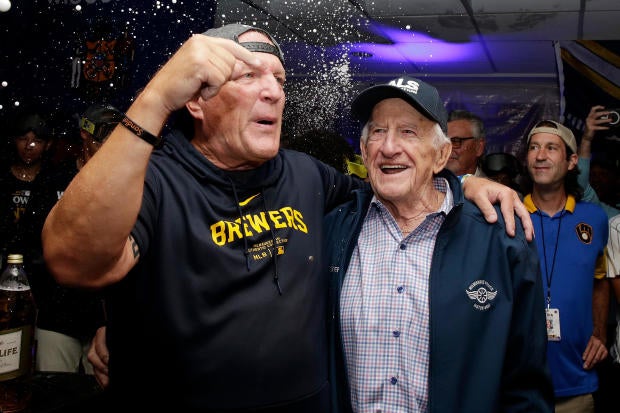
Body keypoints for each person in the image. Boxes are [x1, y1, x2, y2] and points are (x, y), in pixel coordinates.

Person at [42, 23, 533, 411]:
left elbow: (397, 185)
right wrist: (154, 98)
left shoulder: (307, 176)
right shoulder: (154, 178)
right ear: (194, 97)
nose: (274, 91)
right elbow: (75, 263)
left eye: (279, 78)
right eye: (249, 75)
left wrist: (465, 183)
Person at [325, 76, 553, 412]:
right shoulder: (333, 232)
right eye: (377, 132)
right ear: (363, 150)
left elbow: (526, 385)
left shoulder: (500, 237)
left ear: (441, 154)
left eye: (408, 132)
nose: (389, 147)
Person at [17, 104, 119, 374]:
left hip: (106, 320)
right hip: (58, 316)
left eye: (116, 136)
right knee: (52, 391)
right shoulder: (54, 180)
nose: (110, 144)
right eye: (103, 136)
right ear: (85, 137)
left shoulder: (125, 184)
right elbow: (31, 241)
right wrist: (43, 297)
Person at [523, 120, 609, 412]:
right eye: (533, 147)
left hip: (577, 383)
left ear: (573, 161)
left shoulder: (594, 219)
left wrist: (600, 332)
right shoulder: (506, 216)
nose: (540, 155)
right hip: (516, 387)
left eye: (551, 148)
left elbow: (599, 280)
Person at [0, 110, 54, 262]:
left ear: (47, 145)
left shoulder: (53, 181)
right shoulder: (3, 179)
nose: (28, 146)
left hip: (41, 260)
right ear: (14, 140)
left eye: (37, 141)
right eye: (23, 139)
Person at [445, 109, 486, 177]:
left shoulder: (492, 187)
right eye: (443, 141)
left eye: (456, 141)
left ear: (479, 147)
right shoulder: (426, 186)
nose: (447, 148)